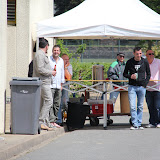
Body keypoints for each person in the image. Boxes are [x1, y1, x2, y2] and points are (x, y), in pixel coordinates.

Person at [123, 47, 150, 130]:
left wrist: (145, 84)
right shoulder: (129, 62)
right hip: (132, 87)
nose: (139, 55)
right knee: (132, 106)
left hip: (142, 87)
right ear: (134, 53)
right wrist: (130, 76)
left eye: (140, 53)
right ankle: (134, 123)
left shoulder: (144, 61)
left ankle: (139, 123)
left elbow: (148, 74)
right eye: (137, 54)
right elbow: (124, 73)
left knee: (140, 106)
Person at [33, 38, 55, 131]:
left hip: (45, 82)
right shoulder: (39, 55)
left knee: (44, 102)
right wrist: (51, 72)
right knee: (49, 101)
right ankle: (41, 121)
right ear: (46, 46)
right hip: (43, 82)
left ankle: (46, 123)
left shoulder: (41, 54)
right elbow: (40, 69)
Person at [49, 45, 65, 128]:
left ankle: (54, 120)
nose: (56, 52)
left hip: (58, 85)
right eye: (55, 50)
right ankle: (50, 121)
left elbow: (62, 72)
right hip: (50, 84)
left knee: (57, 103)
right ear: (52, 51)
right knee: (50, 103)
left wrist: (62, 84)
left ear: (59, 52)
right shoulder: (49, 60)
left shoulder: (61, 61)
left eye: (57, 50)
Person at [145, 49, 160, 128]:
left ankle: (158, 122)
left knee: (157, 106)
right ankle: (152, 122)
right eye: (149, 54)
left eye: (152, 54)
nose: (151, 55)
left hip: (157, 88)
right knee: (150, 106)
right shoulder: (144, 62)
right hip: (147, 88)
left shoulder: (158, 62)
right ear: (146, 55)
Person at [56, 54, 73, 125]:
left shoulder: (69, 66)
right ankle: (59, 120)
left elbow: (69, 77)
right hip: (58, 84)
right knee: (58, 102)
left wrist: (65, 68)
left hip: (65, 85)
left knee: (65, 102)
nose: (67, 61)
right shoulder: (57, 64)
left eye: (68, 59)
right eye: (65, 59)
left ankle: (69, 118)